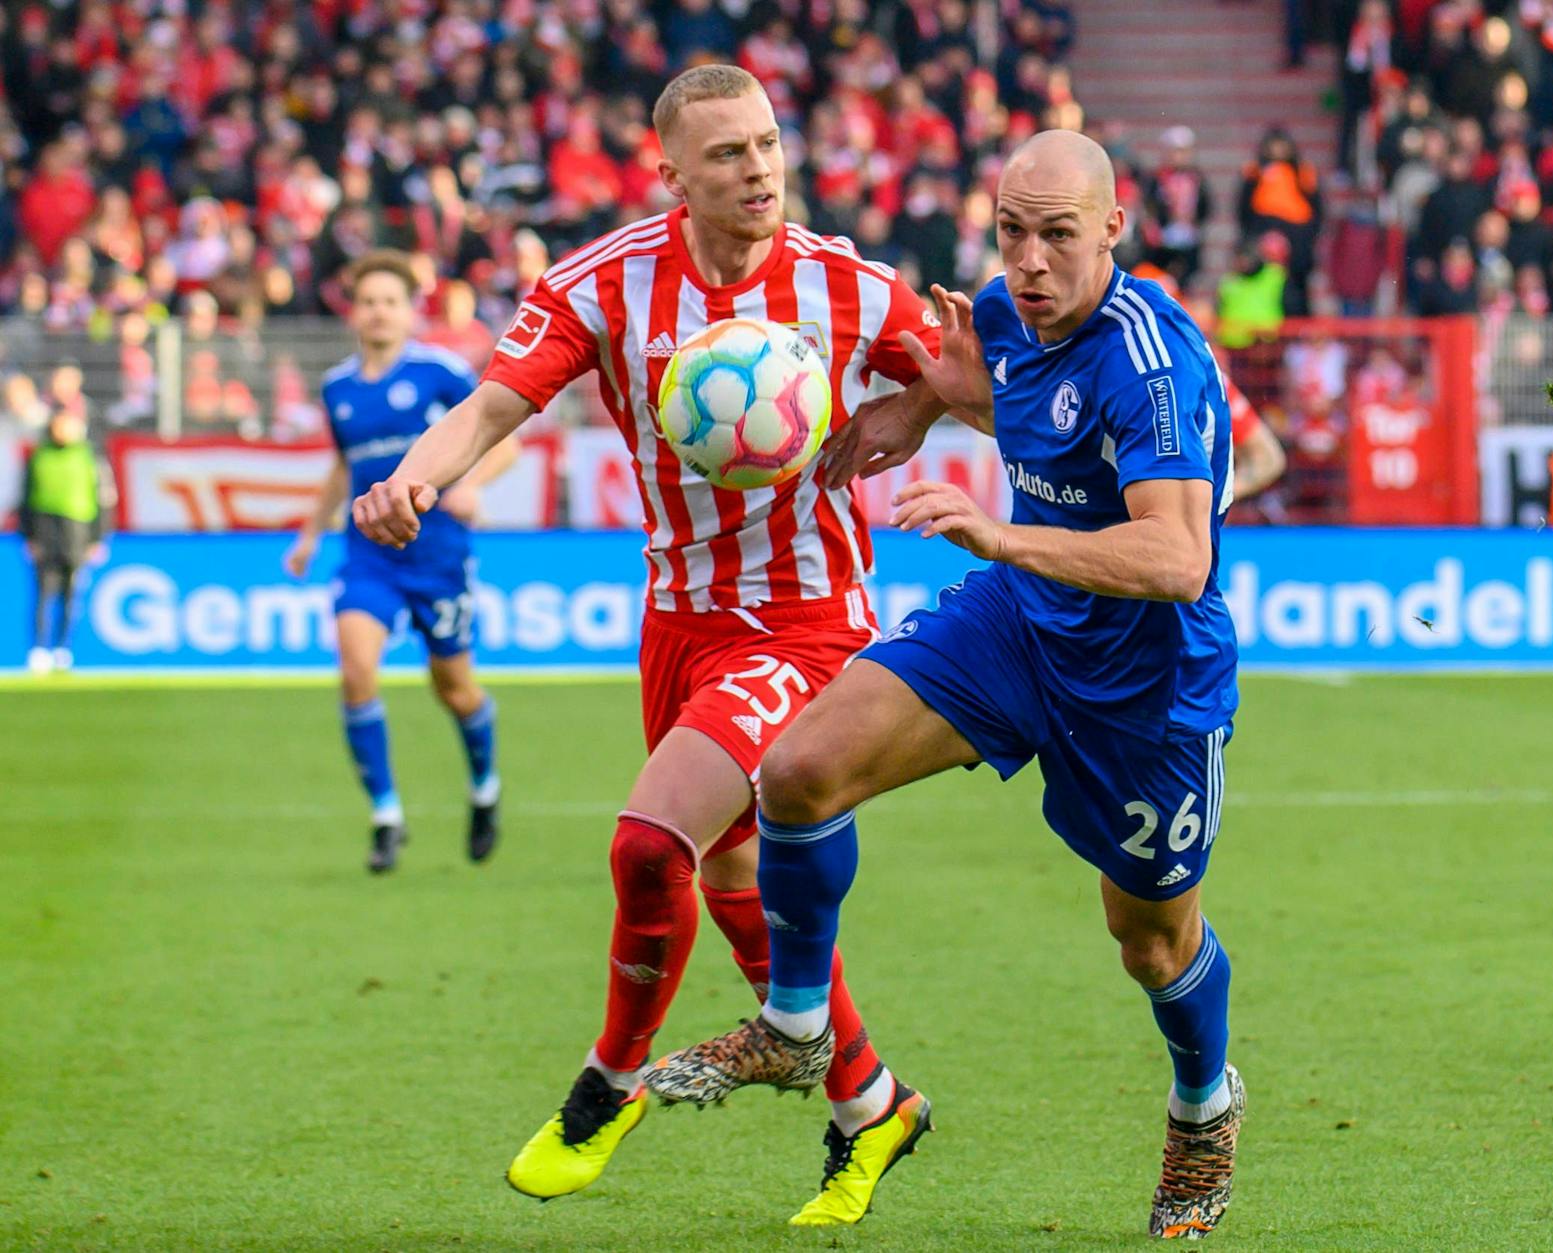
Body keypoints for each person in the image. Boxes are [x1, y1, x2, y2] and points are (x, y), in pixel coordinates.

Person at [349, 65, 943, 1227]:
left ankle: (606, 1082)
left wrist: (919, 405)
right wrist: (409, 480)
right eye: (726, 154)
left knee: (643, 843)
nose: (759, 169)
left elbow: (974, 379)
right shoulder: (605, 282)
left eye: (768, 144)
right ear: (667, 172)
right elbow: (491, 404)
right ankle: (870, 1099)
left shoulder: (844, 286)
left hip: (808, 618)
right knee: (725, 875)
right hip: (677, 618)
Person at [646, 130, 1245, 1240]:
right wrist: (917, 407)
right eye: (1009, 231)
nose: (1025, 261)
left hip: (1143, 688)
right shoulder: (1007, 307)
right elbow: (989, 381)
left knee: (1149, 942)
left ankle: (1202, 1103)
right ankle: (793, 1021)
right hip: (1016, 629)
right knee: (798, 770)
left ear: (1112, 230)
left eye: (1055, 236)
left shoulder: (1149, 364)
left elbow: (1176, 560)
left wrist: (1001, 533)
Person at [283, 250, 515, 873]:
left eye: (391, 301)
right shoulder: (338, 387)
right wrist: (309, 535)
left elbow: (502, 435)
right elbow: (343, 467)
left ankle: (484, 786)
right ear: (353, 311)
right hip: (367, 556)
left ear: (410, 311)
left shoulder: (440, 372)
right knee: (356, 671)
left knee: (455, 690)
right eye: (368, 301)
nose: (379, 312)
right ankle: (386, 816)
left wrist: (473, 486)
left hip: (437, 555)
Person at [19, 407, 113, 673]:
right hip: (45, 530)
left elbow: (103, 500)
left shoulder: (89, 457)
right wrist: (28, 535)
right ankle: (39, 649)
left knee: (71, 594)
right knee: (43, 593)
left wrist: (97, 537)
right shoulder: (40, 456)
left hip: (76, 531)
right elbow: (26, 498)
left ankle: (62, 648)